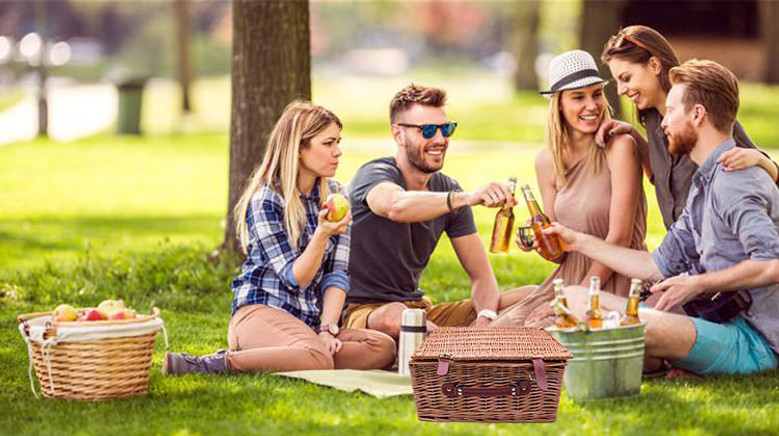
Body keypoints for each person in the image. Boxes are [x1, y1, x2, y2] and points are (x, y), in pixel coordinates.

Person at [547, 60, 779, 376]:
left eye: (670, 112)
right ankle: (651, 357)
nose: (663, 123)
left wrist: (696, 283)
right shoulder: (703, 185)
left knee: (638, 324)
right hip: (713, 323)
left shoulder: (735, 182)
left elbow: (772, 263)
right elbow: (654, 265)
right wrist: (577, 241)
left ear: (697, 114)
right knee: (573, 298)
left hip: (755, 340)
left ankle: (645, 353)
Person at [163, 101, 396, 375]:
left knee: (383, 347)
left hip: (308, 323)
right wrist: (322, 234)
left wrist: (326, 329)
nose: (338, 151)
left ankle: (299, 354)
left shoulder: (336, 195)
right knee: (318, 357)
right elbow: (295, 277)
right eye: (328, 143)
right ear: (299, 148)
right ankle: (212, 363)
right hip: (261, 314)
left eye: (338, 142)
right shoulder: (267, 199)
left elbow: (338, 275)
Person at [341, 84, 529, 339]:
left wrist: (486, 316)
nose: (440, 140)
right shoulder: (373, 175)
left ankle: (466, 341)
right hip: (362, 312)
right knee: (396, 316)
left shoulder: (448, 191)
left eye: (446, 129)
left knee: (533, 295)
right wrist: (468, 198)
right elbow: (395, 206)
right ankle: (463, 347)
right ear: (398, 134)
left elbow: (482, 278)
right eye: (428, 130)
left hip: (419, 311)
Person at [491, 50, 648, 328]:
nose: (592, 105)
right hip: (569, 277)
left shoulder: (619, 147)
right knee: (498, 334)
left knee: (542, 337)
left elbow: (620, 238)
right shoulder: (546, 161)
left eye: (596, 94)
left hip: (618, 275)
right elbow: (560, 252)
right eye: (578, 97)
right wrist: (540, 244)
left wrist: (578, 298)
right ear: (559, 104)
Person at [597, 25, 779, 229]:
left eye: (626, 78)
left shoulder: (702, 112)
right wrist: (633, 136)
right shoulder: (652, 118)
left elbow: (768, 181)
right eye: (617, 82)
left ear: (654, 65)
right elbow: (663, 181)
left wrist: (759, 159)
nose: (621, 90)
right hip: (681, 251)